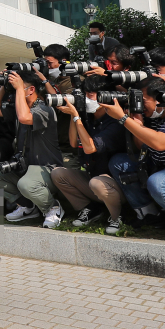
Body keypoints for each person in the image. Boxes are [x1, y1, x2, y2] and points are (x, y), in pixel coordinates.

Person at [100, 77, 165, 241]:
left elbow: (159, 143)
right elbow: (142, 145)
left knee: (158, 181)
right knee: (119, 163)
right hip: (160, 164)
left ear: (160, 98)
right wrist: (137, 120)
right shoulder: (151, 113)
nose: (141, 105)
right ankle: (150, 215)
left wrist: (123, 118)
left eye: (143, 101)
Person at [50, 90, 130, 233]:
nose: (87, 99)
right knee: (58, 174)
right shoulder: (87, 118)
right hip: (94, 179)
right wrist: (74, 115)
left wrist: (76, 116)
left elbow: (90, 148)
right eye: (85, 94)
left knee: (96, 183)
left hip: (117, 186)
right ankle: (92, 210)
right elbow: (73, 143)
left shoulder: (114, 120)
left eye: (91, 94)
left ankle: (118, 216)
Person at [0, 71, 64, 229]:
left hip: (48, 169)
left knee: (26, 183)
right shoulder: (20, 107)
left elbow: (25, 117)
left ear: (31, 90)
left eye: (20, 87)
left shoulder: (45, 109)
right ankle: (27, 206)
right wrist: (4, 86)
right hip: (25, 166)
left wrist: (17, 89)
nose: (16, 90)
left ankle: (52, 207)